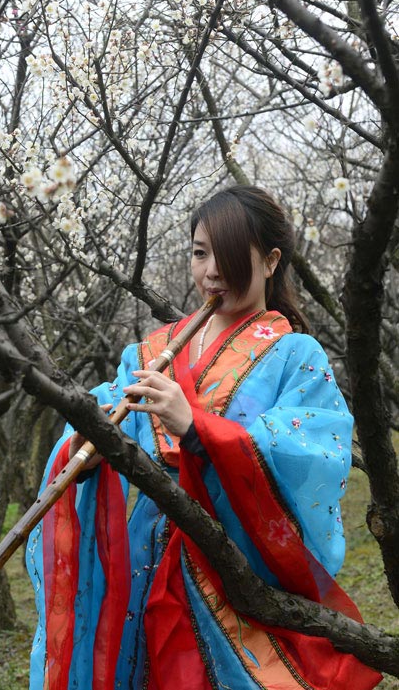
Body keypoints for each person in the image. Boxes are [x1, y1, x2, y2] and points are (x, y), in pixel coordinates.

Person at [26, 185, 381, 689]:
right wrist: (86, 449)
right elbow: (99, 430)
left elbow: (310, 454)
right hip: (144, 558)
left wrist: (197, 429)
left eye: (229, 254)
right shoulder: (150, 353)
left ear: (271, 260)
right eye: (199, 253)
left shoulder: (296, 355)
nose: (211, 270)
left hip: (234, 563)